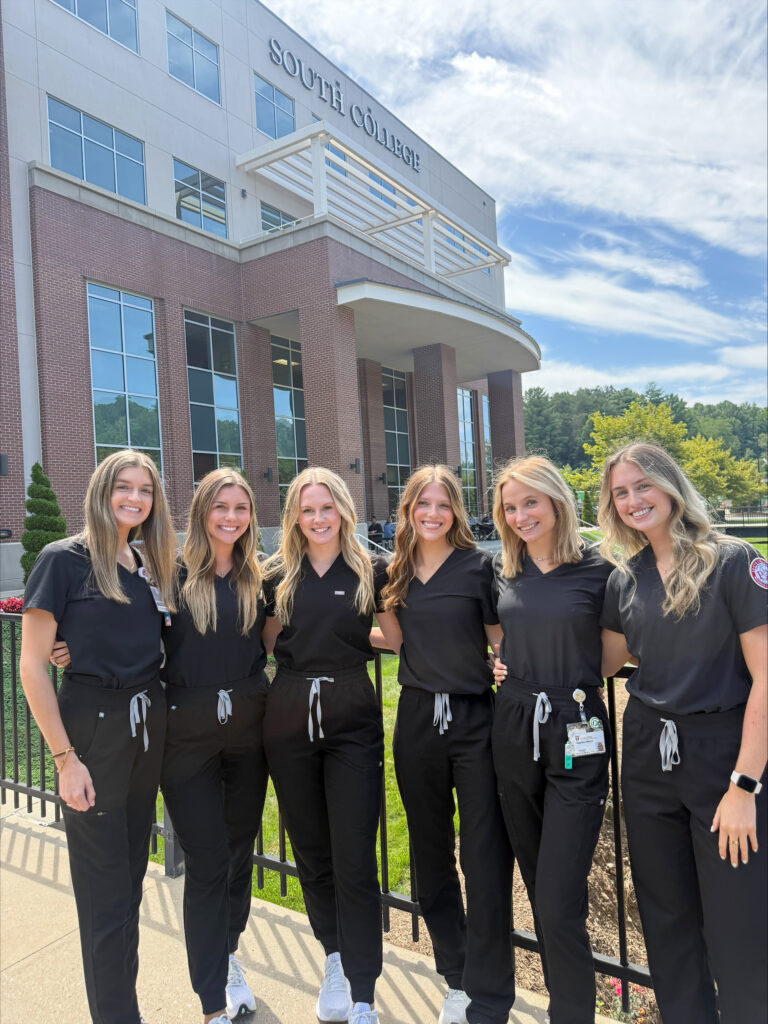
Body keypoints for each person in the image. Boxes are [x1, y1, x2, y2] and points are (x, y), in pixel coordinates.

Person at [598, 441, 767, 1023]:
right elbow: (603, 661)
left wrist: (744, 786)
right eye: (620, 493)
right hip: (647, 754)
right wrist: (509, 654)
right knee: (666, 919)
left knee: (737, 925)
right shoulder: (628, 577)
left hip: (721, 757)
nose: (633, 500)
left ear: (670, 486)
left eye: (642, 485)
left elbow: (767, 677)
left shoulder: (733, 560)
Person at [19, 450, 177, 1024]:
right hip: (94, 732)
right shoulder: (63, 560)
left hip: (145, 731)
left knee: (129, 885)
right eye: (123, 488)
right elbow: (33, 665)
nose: (134, 499)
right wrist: (65, 761)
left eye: (145, 490)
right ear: (101, 491)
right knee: (106, 899)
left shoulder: (146, 563)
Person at [261, 468, 401, 1024]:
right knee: (313, 852)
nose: (318, 519)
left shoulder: (374, 570)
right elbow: (273, 642)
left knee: (354, 857)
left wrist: (345, 642)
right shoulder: (277, 574)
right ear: (295, 515)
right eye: (307, 509)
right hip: (290, 714)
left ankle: (364, 991)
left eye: (327, 508)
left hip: (352, 717)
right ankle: (335, 958)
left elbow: (392, 639)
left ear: (343, 509)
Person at [379, 465, 515, 1024]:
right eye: (422, 504)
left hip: (473, 719)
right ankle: (454, 976)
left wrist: (505, 663)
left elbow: (501, 639)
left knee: (483, 854)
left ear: (456, 511)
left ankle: (488, 982)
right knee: (430, 850)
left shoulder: (479, 567)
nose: (432, 514)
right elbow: (393, 639)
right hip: (415, 722)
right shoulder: (394, 572)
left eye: (443, 504)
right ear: (408, 510)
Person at [490, 456, 613, 1024]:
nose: (520, 516)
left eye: (530, 503)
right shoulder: (506, 569)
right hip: (514, 723)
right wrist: (500, 663)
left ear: (556, 501)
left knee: (561, 894)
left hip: (578, 726)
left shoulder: (601, 571)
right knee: (540, 882)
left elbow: (615, 656)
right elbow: (502, 633)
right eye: (510, 507)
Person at [159, 468, 272, 1024]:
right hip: (187, 737)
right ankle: (210, 1003)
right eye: (220, 507)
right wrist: (68, 648)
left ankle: (227, 955)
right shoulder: (169, 575)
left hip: (249, 732)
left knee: (237, 853)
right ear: (202, 510)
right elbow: (128, 633)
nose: (231, 517)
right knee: (206, 861)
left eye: (241, 508)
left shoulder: (258, 577)